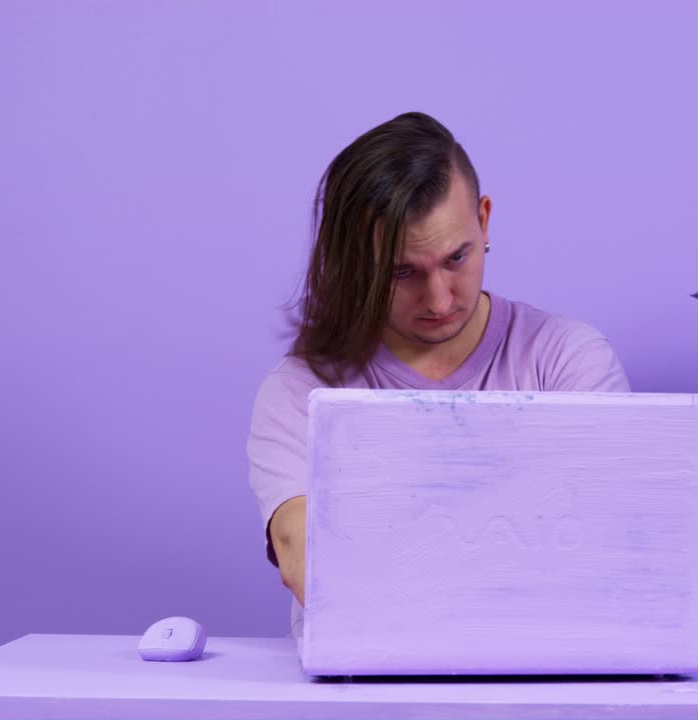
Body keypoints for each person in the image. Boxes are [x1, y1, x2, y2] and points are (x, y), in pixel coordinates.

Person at [246, 112, 630, 637]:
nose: (441, 299)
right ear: (357, 262)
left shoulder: (569, 360)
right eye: (403, 272)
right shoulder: (300, 391)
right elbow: (301, 553)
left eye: (457, 258)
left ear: (485, 220)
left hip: (546, 678)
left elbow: (607, 546)